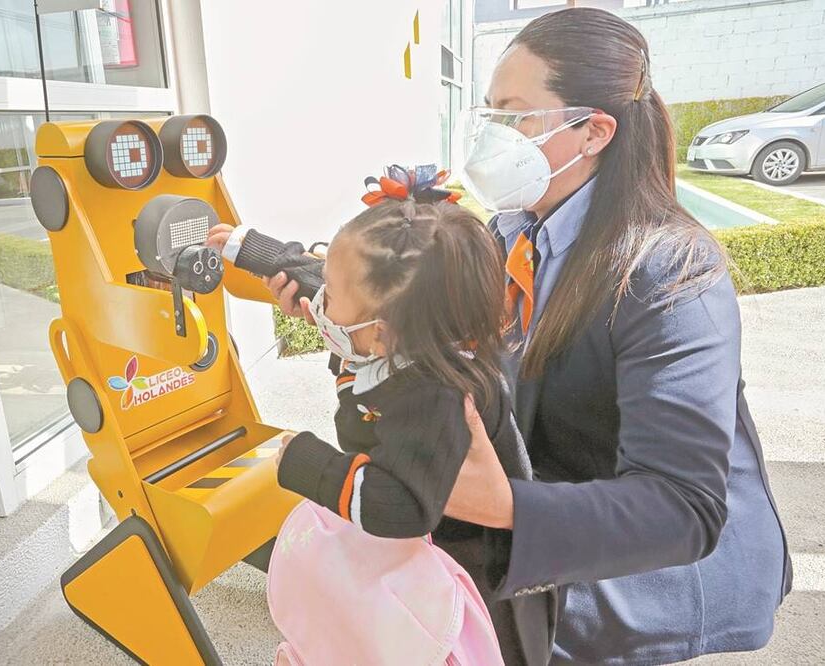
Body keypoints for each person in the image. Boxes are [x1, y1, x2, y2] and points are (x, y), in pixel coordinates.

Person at [259, 8, 792, 665]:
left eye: (513, 115)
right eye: (488, 113)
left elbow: (682, 509)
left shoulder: (669, 272)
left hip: (640, 581)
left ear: (593, 131)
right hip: (537, 535)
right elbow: (420, 304)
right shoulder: (508, 231)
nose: (491, 135)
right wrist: (333, 296)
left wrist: (505, 503)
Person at [208, 181, 550, 663]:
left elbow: (402, 507)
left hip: (467, 586)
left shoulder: (433, 395)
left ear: (382, 337)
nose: (320, 303)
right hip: (431, 550)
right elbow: (325, 279)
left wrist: (308, 462)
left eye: (332, 300)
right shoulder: (413, 330)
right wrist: (252, 249)